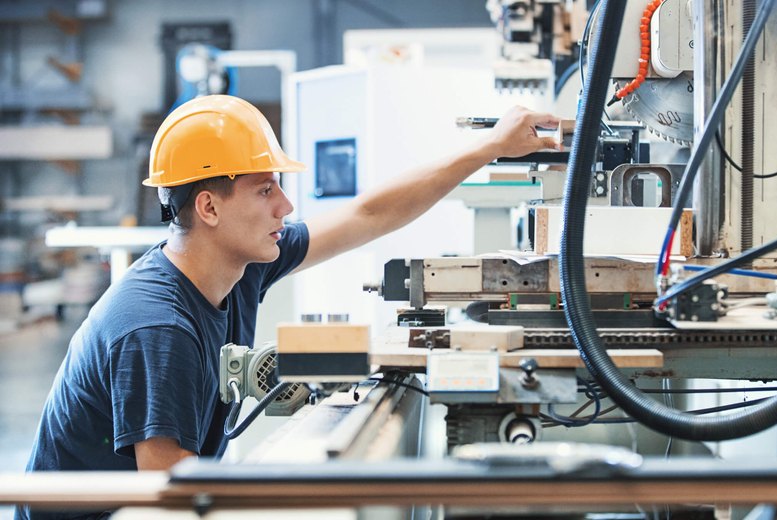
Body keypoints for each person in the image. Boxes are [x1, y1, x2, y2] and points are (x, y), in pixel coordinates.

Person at [17, 94, 560, 519]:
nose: (286, 205)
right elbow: (173, 499)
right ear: (208, 206)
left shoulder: (241, 266)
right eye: (264, 190)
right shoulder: (157, 328)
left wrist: (488, 147)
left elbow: (367, 215)